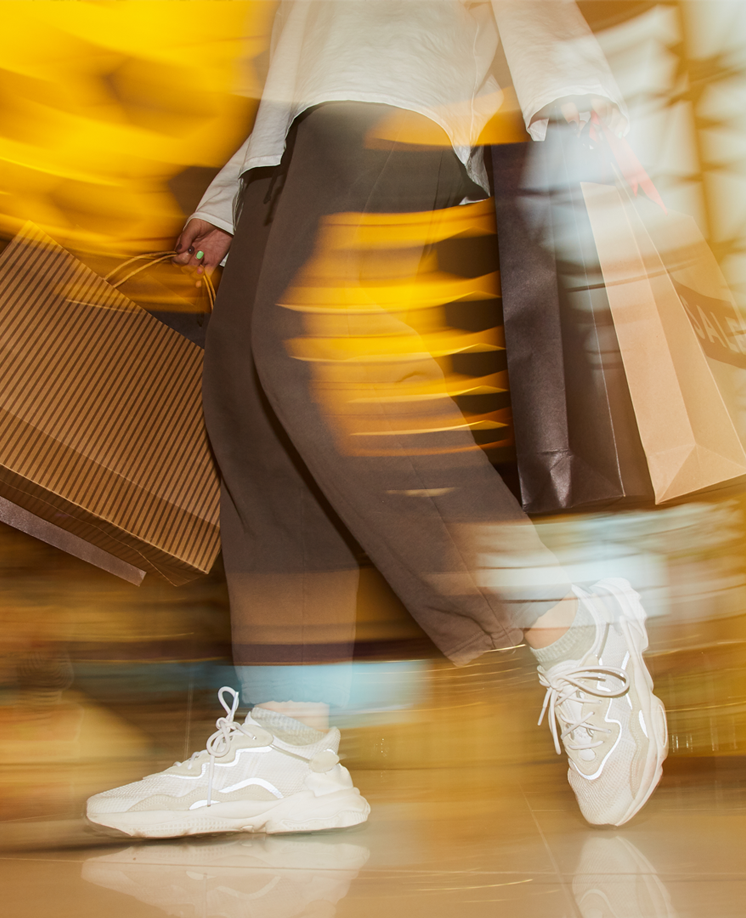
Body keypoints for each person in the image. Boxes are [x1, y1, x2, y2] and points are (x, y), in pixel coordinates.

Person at [86, 0, 667, 838]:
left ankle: (575, 630)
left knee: (319, 354)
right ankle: (290, 747)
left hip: (400, 92)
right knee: (250, 419)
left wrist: (569, 80)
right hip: (285, 149)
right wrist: (231, 191)